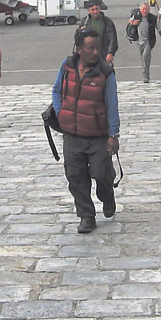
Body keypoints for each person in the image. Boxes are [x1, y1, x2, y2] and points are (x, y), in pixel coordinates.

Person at [52, 28, 120, 234]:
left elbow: (112, 104)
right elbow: (56, 90)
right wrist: (60, 110)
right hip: (72, 135)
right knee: (76, 176)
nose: (95, 52)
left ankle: (107, 194)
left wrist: (113, 135)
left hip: (97, 135)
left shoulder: (105, 72)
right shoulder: (66, 66)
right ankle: (86, 216)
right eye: (90, 48)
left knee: (100, 174)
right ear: (79, 49)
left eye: (97, 47)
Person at [78, 0, 118, 64]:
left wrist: (111, 53)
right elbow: (78, 40)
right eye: (92, 10)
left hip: (103, 54)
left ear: (100, 9)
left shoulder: (107, 22)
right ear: (88, 10)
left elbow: (112, 39)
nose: (95, 12)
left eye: (97, 9)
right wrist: (80, 32)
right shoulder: (84, 22)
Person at [128, 2, 158, 82]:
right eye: (143, 9)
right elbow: (130, 22)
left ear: (148, 9)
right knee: (143, 58)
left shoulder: (152, 18)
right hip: (139, 41)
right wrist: (133, 23)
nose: (144, 11)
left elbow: (159, 28)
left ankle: (146, 77)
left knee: (145, 57)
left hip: (149, 41)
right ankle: (145, 73)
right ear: (140, 9)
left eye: (146, 9)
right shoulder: (136, 15)